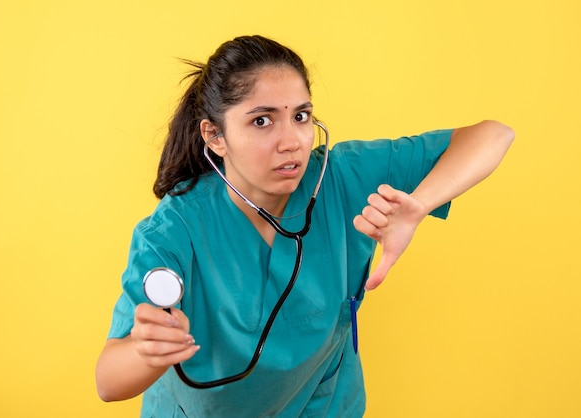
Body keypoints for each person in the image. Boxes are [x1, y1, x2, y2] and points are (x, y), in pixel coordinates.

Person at [95, 35, 514, 417]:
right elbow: (108, 381)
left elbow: (494, 135)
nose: (292, 140)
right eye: (262, 120)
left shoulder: (343, 179)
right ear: (215, 136)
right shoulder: (175, 229)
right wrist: (149, 354)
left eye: (301, 116)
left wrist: (418, 205)